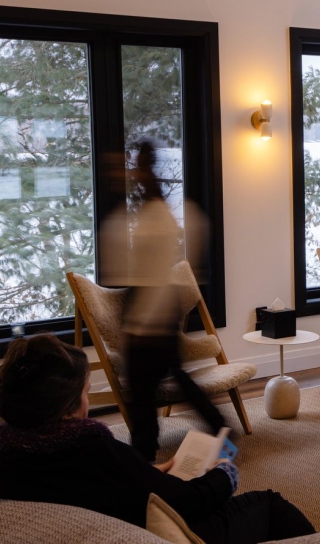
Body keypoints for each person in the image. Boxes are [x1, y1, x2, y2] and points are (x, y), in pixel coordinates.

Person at [0, 334, 315, 543]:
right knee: (271, 504)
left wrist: (149, 472)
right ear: (65, 408)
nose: (88, 403)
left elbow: (96, 484)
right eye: (86, 392)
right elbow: (185, 502)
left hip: (121, 513)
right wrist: (224, 475)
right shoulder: (90, 447)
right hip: (161, 530)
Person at [100, 141, 223, 461]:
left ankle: (146, 454)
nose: (125, 173)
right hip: (150, 306)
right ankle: (219, 430)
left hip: (152, 309)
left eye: (130, 166)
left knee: (143, 391)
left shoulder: (154, 214)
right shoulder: (148, 208)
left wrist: (142, 322)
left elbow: (152, 269)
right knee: (167, 381)